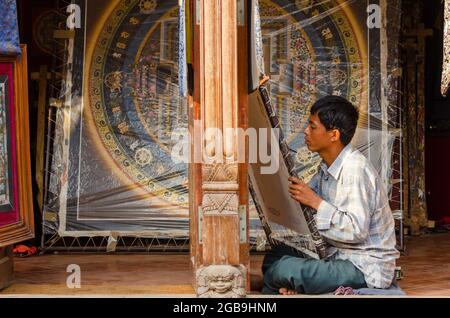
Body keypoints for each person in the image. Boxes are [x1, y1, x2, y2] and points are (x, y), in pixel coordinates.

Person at [262, 95, 400, 295]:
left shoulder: (355, 169)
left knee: (283, 269)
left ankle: (284, 285)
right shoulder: (326, 167)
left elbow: (355, 231)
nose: (306, 131)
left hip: (363, 266)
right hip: (334, 255)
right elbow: (308, 210)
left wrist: (316, 202)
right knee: (275, 256)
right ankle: (288, 285)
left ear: (333, 134)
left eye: (312, 126)